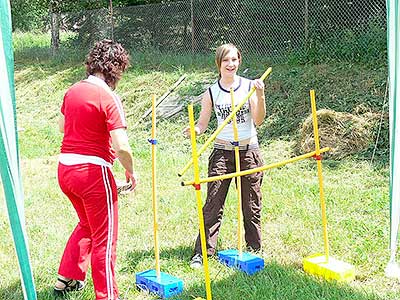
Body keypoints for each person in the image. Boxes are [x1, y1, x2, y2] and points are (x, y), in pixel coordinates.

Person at [54, 39, 138, 300]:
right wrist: (131, 172)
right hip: (92, 174)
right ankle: (108, 295)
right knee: (105, 237)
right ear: (116, 69)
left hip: (65, 170)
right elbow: (122, 147)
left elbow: (61, 127)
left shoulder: (73, 90)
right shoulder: (108, 96)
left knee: (88, 225)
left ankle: (66, 279)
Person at [184, 43, 266, 268]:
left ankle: (254, 250)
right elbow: (202, 124)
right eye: (226, 60)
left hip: (248, 151)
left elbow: (258, 120)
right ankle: (202, 253)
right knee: (213, 203)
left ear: (239, 61)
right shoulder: (211, 92)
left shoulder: (249, 87)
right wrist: (195, 130)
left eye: (234, 59)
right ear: (219, 63)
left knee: (251, 204)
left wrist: (260, 94)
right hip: (222, 153)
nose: (231, 64)